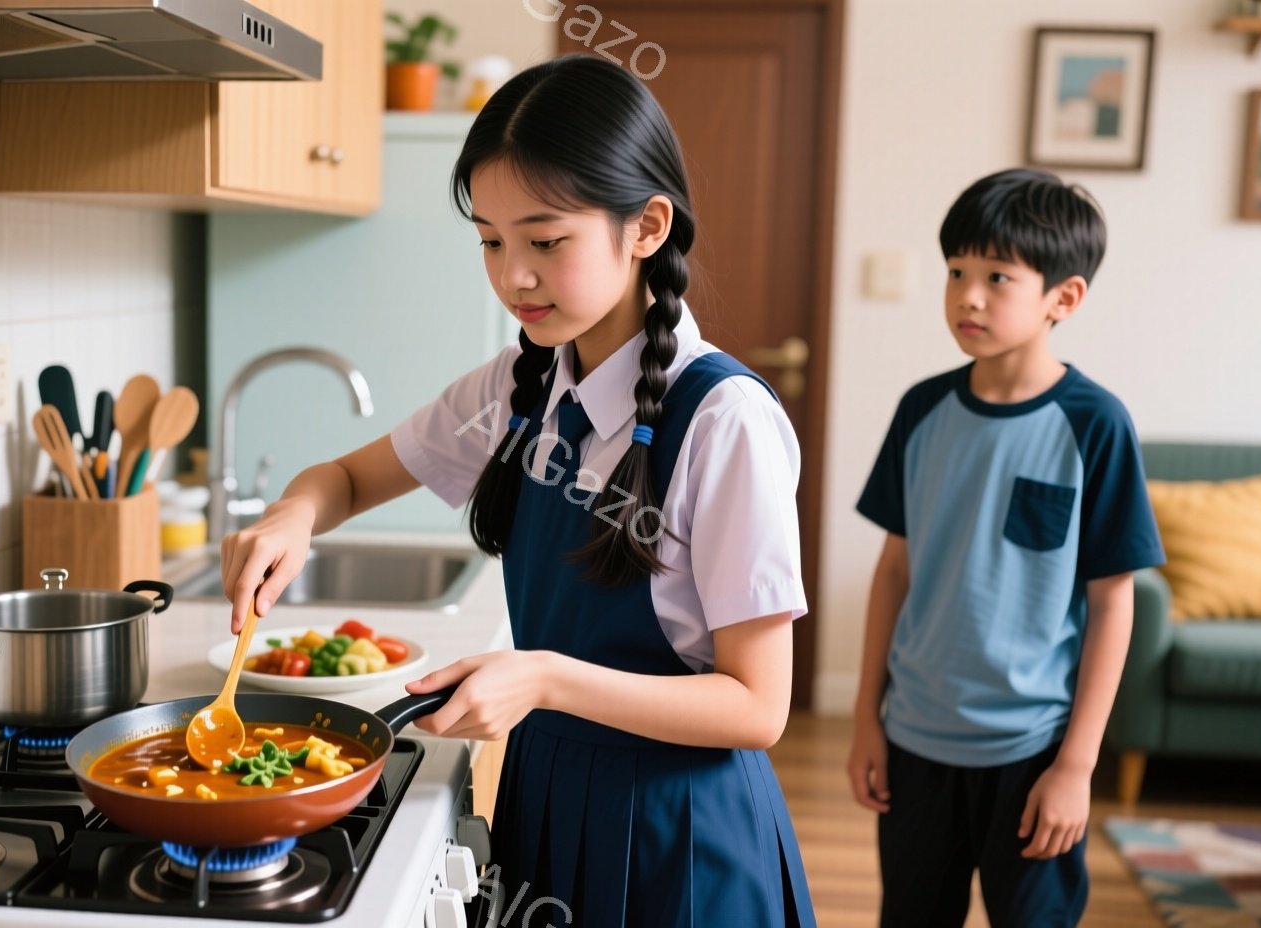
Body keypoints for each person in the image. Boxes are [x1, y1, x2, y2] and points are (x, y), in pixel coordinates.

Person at [220, 55, 815, 927]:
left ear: (647, 225)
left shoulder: (725, 421)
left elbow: (757, 707)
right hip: (546, 801)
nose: (513, 277)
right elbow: (345, 477)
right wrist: (291, 516)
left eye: (545, 240)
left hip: (677, 834)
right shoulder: (517, 387)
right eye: (492, 242)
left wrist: (541, 679)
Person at [845, 168, 1165, 927]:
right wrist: (866, 718)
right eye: (956, 272)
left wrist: (1078, 765)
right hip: (916, 737)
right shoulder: (921, 410)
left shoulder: (1096, 424)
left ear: (1065, 298)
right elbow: (895, 568)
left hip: (1033, 750)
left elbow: (1113, 601)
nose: (968, 296)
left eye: (997, 276)